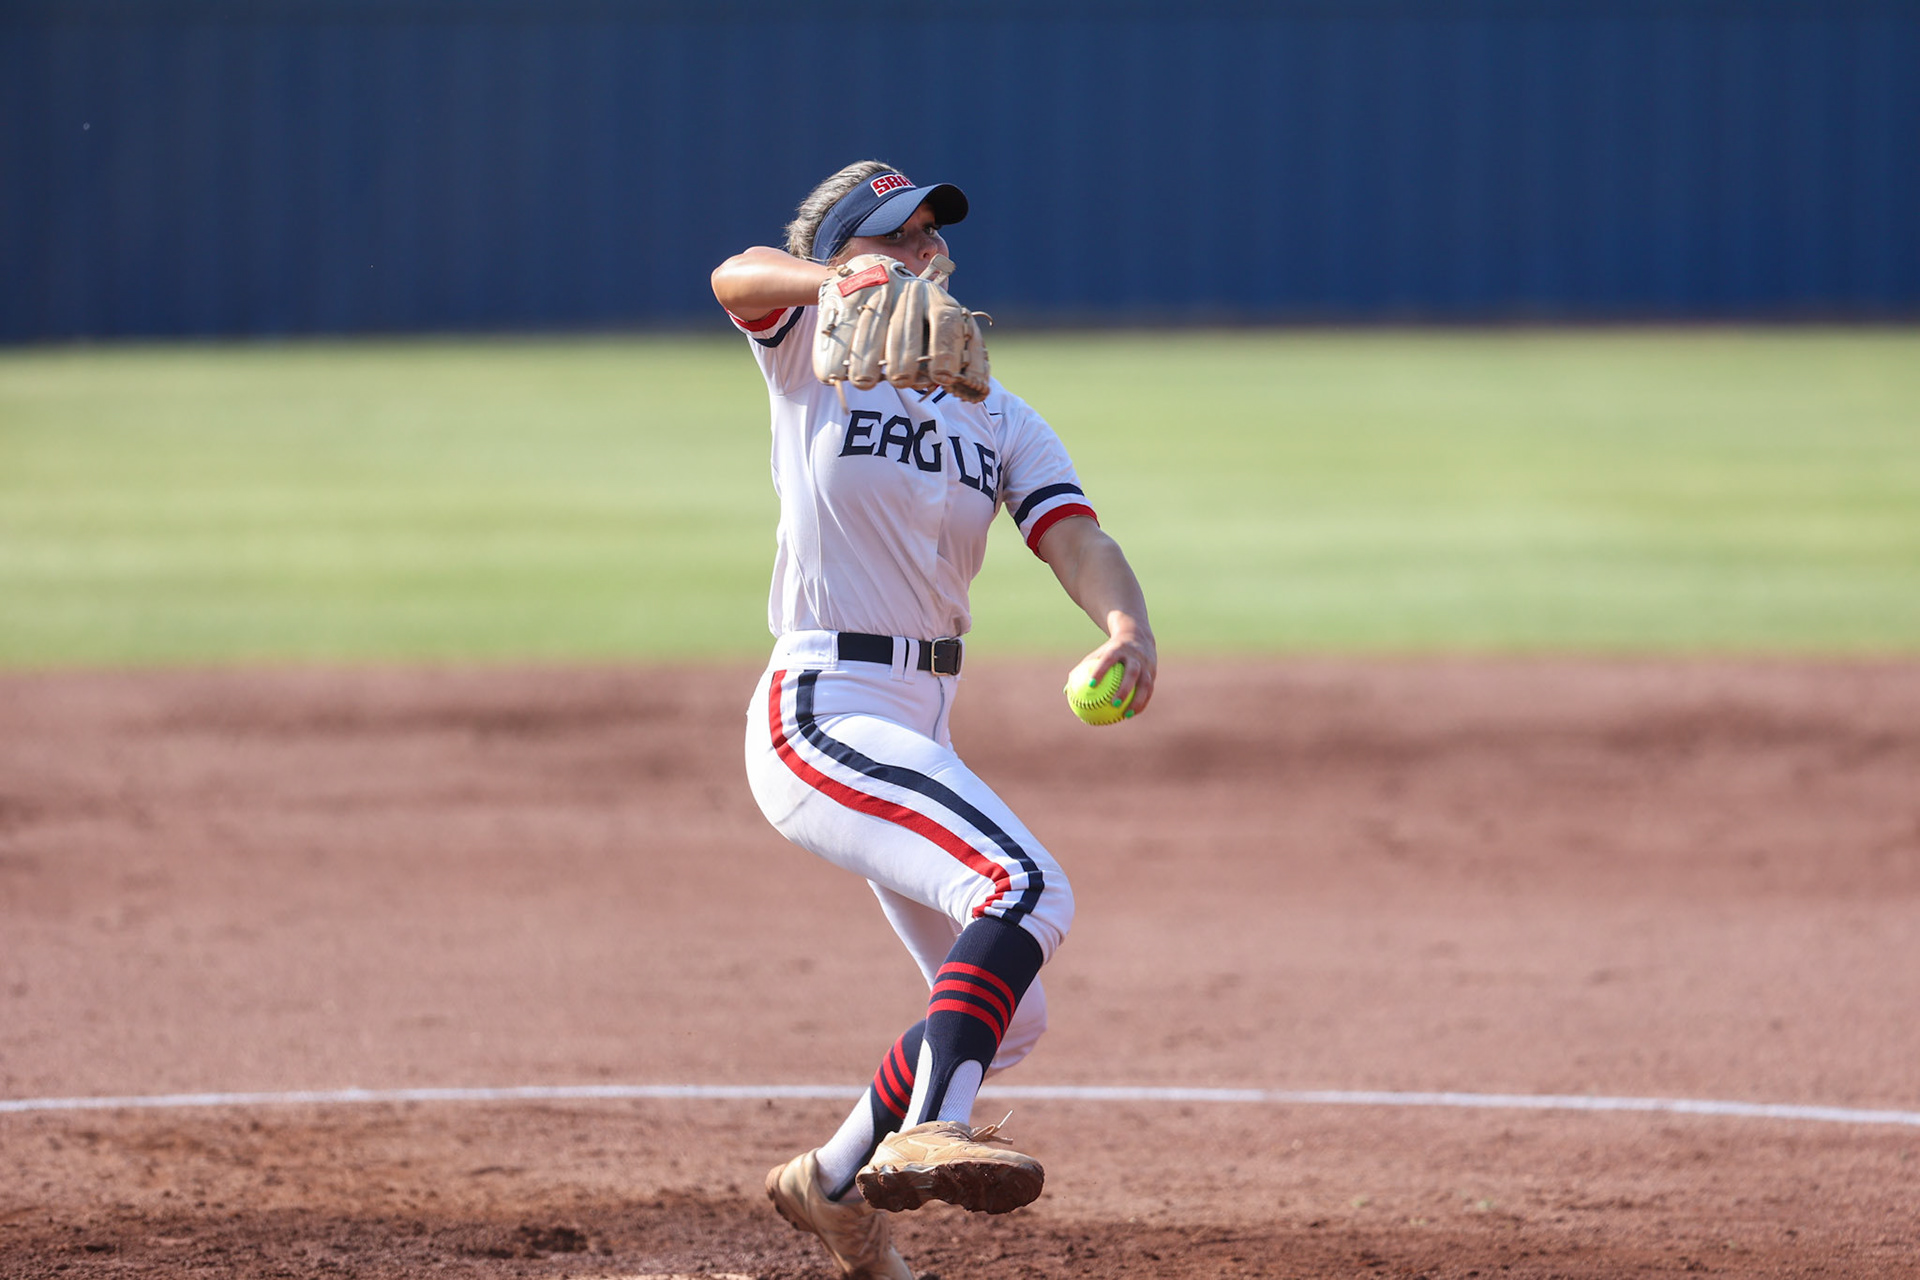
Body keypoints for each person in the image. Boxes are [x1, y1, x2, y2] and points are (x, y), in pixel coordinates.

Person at [710, 161, 1157, 1280]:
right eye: (908, 236)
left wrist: (1125, 624)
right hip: (819, 707)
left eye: (936, 238)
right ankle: (928, 1128)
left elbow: (1076, 533)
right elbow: (734, 276)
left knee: (1016, 1014)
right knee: (1021, 885)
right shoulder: (810, 362)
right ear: (861, 250)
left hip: (916, 720)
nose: (934, 255)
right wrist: (834, 282)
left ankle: (831, 1185)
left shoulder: (995, 410)